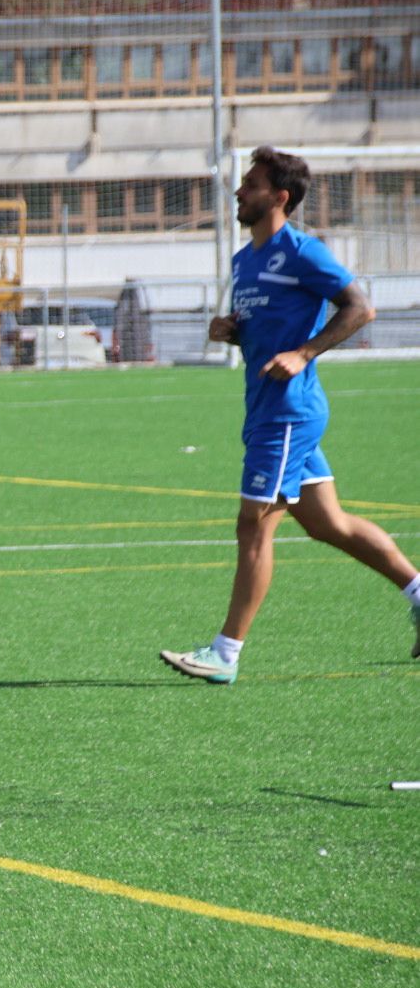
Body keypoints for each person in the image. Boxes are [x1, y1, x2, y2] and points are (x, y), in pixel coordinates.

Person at [160, 146, 420, 684]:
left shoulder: (303, 252)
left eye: (250, 184)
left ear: (279, 198)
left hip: (288, 416)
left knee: (252, 527)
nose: (238, 191)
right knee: (331, 525)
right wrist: (232, 330)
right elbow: (263, 323)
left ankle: (224, 654)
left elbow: (360, 308)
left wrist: (305, 352)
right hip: (266, 411)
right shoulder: (243, 259)